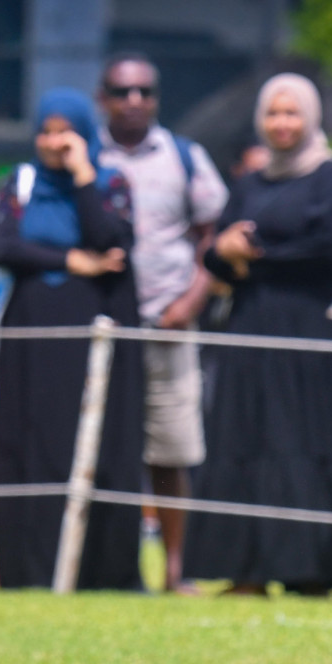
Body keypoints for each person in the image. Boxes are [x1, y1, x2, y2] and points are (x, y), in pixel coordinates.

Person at [187, 73, 332, 595]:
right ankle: (246, 572)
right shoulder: (251, 184)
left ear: (311, 117)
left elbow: (327, 248)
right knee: (245, 439)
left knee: (302, 443)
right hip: (249, 326)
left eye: (292, 112)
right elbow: (216, 254)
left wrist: (252, 256)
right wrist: (224, 256)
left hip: (308, 333)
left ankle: (309, 571)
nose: (282, 123)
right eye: (274, 113)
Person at [0, 88, 143, 590]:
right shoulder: (22, 181)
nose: (55, 142)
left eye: (66, 131)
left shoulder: (110, 182)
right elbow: (5, 246)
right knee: (29, 442)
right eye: (47, 131)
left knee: (87, 439)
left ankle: (95, 571)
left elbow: (111, 243)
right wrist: (71, 261)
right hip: (32, 337)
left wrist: (82, 177)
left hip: (88, 337)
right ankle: (28, 569)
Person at [95, 54, 229, 593]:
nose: (134, 101)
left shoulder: (185, 157)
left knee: (171, 452)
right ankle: (107, 568)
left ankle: (176, 568)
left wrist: (190, 304)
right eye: (122, 91)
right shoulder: (87, 152)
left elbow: (213, 239)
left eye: (144, 91)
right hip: (105, 327)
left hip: (168, 322)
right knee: (106, 448)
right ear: (103, 96)